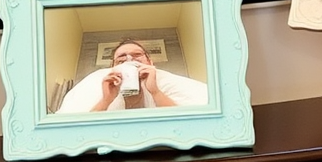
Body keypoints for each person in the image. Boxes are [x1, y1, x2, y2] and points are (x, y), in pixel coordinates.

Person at [56, 38, 208, 113]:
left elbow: (189, 121)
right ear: (113, 67)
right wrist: (106, 99)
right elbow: (81, 130)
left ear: (150, 62)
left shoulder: (163, 80)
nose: (129, 59)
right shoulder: (99, 82)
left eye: (137, 55)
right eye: (121, 58)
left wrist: (155, 91)